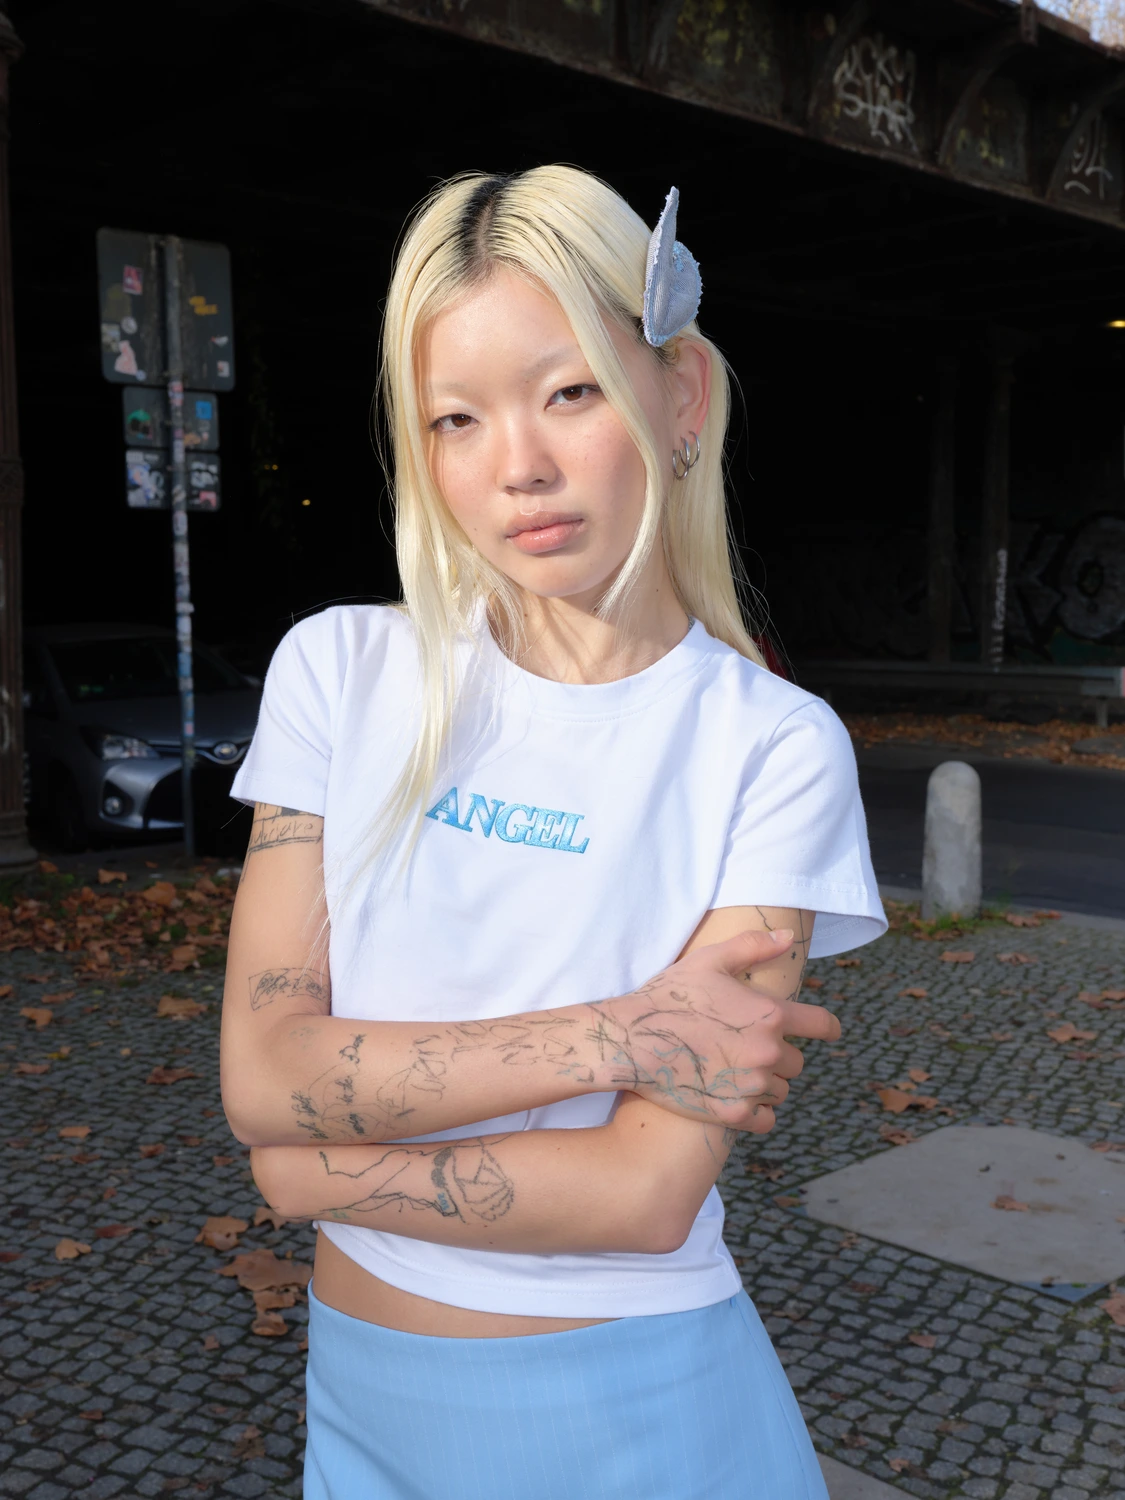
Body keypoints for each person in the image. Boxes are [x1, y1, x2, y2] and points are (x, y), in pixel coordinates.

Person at [220, 166, 886, 1500]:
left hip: (644, 1416)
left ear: (680, 393)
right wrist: (617, 1035)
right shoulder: (339, 674)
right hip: (359, 1416)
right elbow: (265, 1076)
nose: (517, 465)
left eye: (570, 390)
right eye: (456, 418)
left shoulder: (774, 745)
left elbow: (643, 1194)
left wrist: (313, 1172)